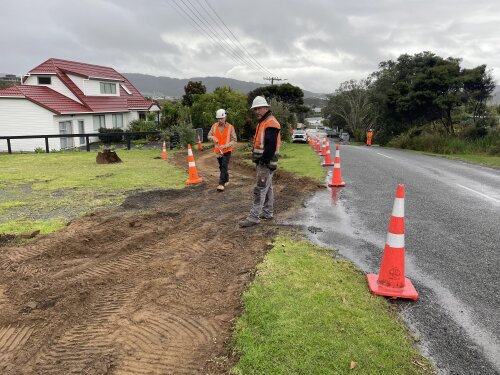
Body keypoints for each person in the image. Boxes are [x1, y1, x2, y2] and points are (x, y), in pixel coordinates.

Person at [239, 96, 281, 228]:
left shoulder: (270, 123)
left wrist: (263, 160)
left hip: (266, 163)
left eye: (259, 108)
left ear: (266, 108)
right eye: (255, 109)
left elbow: (271, 145)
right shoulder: (264, 122)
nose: (256, 111)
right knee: (268, 188)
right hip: (264, 162)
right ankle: (267, 212)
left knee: (260, 188)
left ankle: (253, 217)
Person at [207, 108, 237, 191]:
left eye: (221, 118)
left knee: (224, 165)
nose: (220, 120)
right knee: (221, 166)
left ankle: (221, 184)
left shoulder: (230, 127)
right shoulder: (214, 126)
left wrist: (226, 146)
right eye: (218, 119)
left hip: (227, 150)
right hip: (218, 151)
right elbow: (208, 136)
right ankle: (226, 179)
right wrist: (212, 137)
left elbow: (234, 140)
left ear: (225, 117)